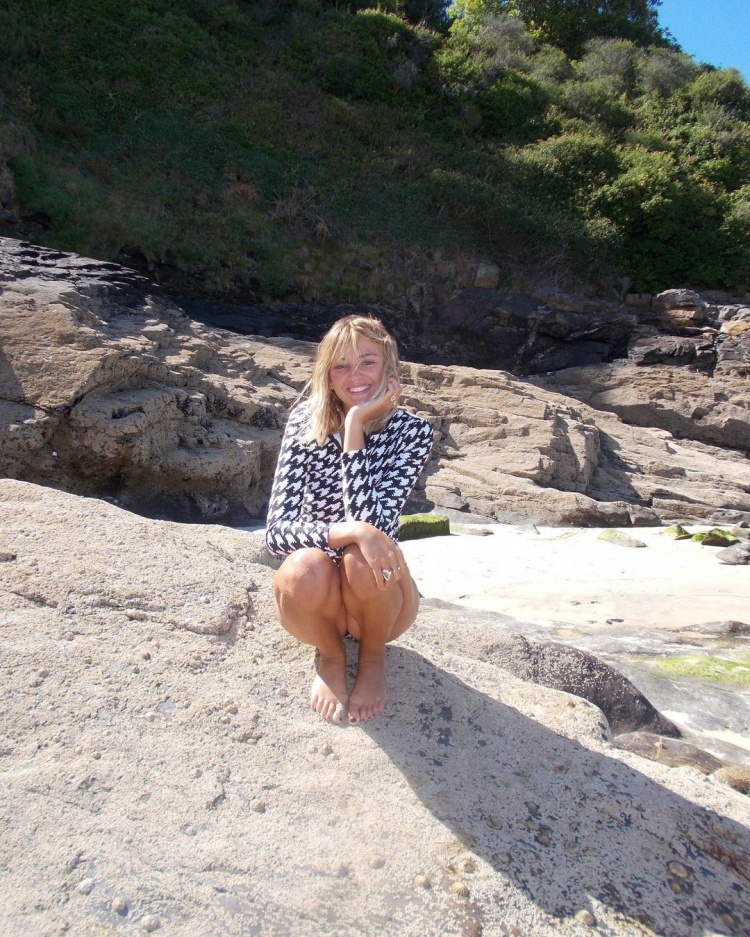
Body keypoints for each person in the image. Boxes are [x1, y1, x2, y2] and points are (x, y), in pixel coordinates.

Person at [265, 315, 434, 725]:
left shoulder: (413, 433)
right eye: (341, 365)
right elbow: (276, 535)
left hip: (381, 606)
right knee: (305, 564)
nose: (355, 376)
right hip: (316, 603)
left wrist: (355, 426)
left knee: (363, 556)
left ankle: (372, 659)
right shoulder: (306, 423)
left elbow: (376, 527)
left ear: (389, 368)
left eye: (367, 362)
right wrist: (350, 532)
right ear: (328, 375)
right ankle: (331, 655)